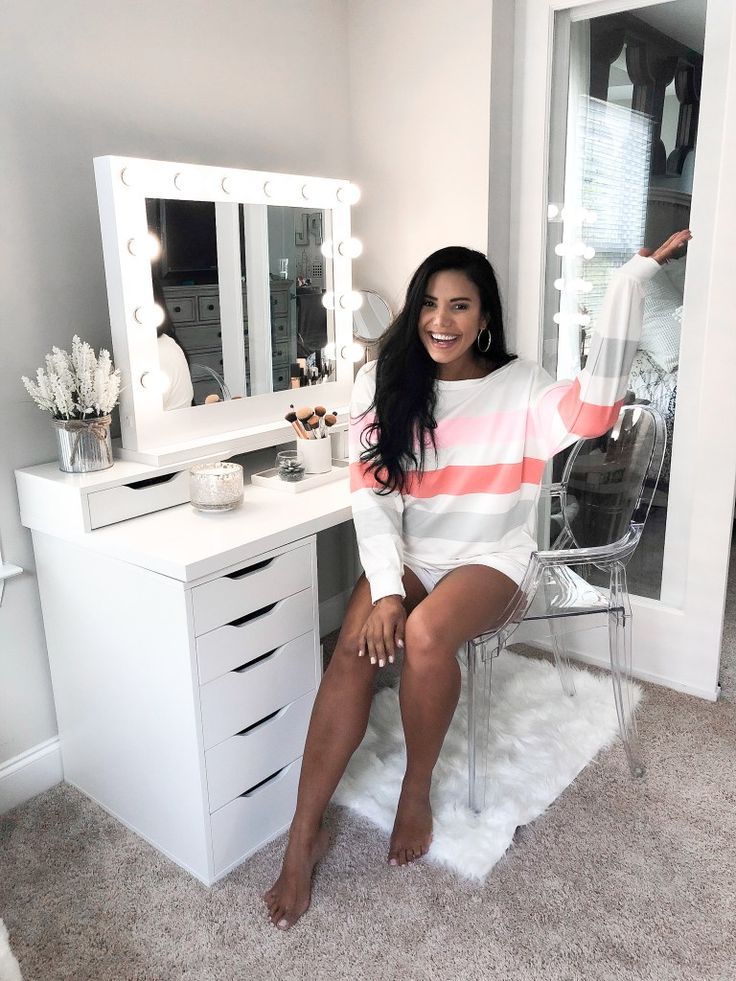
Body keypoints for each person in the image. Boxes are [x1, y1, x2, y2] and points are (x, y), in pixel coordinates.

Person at [264, 229, 692, 930]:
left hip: (494, 555)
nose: (441, 320)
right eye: (430, 304)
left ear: (484, 316)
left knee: (428, 636)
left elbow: (596, 407)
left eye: (460, 306)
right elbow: (372, 495)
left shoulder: (521, 386)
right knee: (350, 644)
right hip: (410, 548)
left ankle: (415, 786)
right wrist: (388, 586)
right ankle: (302, 834)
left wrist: (630, 283)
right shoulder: (383, 380)